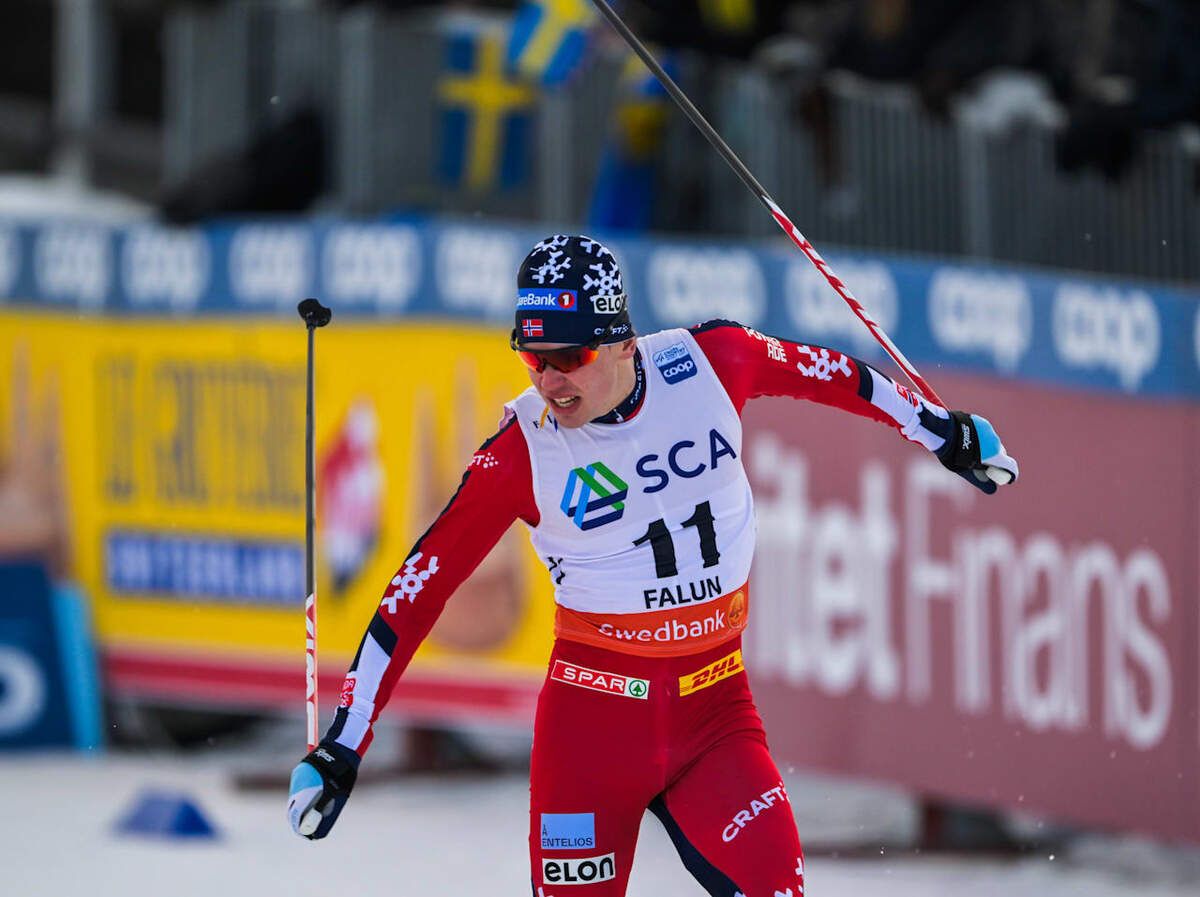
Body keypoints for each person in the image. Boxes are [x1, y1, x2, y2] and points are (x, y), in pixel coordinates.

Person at [287, 234, 1018, 896]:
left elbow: (834, 374)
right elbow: (416, 589)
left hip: (714, 715)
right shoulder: (522, 450)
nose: (549, 381)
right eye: (532, 357)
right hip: (592, 731)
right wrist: (344, 744)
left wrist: (940, 431)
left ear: (622, 341)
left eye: (569, 357)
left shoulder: (710, 361)